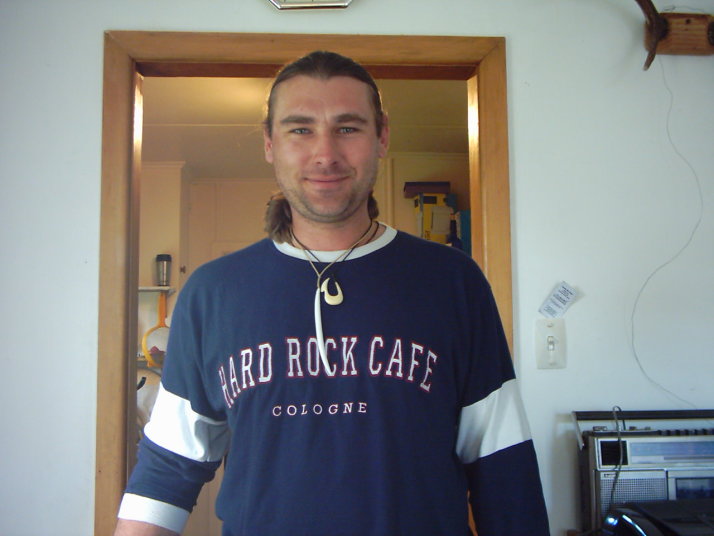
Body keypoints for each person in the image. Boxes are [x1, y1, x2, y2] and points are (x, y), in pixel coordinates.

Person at [115, 50, 550, 536]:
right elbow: (169, 465)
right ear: (269, 143)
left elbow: (502, 466)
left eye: (347, 128)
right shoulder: (212, 292)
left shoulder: (453, 281)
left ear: (381, 137)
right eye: (300, 129)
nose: (325, 154)